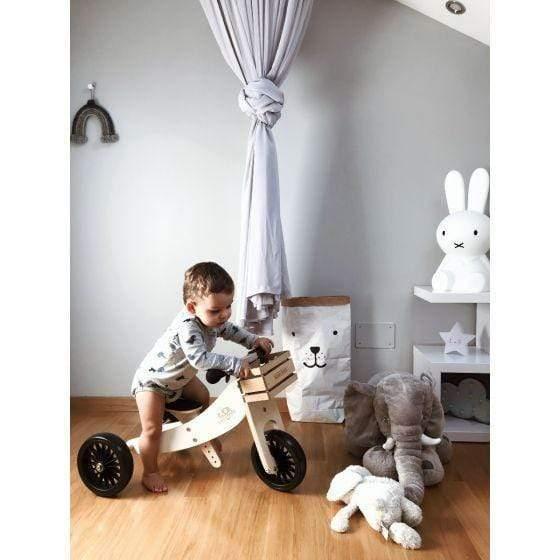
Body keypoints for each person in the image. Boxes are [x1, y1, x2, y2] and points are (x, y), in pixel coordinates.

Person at [130, 262, 273, 492]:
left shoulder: (214, 320)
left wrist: (254, 340)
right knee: (152, 430)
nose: (224, 314)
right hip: (153, 382)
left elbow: (232, 331)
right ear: (192, 307)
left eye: (228, 306)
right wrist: (234, 364)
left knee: (203, 396)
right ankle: (150, 472)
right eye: (216, 310)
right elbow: (200, 359)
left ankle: (206, 431)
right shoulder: (188, 326)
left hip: (179, 380)